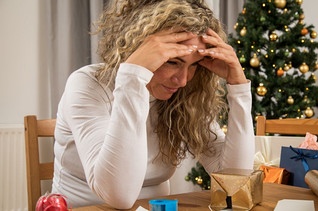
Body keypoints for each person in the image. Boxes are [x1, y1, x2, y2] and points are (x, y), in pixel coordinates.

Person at [52, 0, 255, 209]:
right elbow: (119, 196)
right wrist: (133, 77)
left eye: (193, 65)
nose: (183, 80)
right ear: (137, 48)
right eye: (172, 62)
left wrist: (239, 88)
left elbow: (234, 182)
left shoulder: (184, 97)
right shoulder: (89, 84)